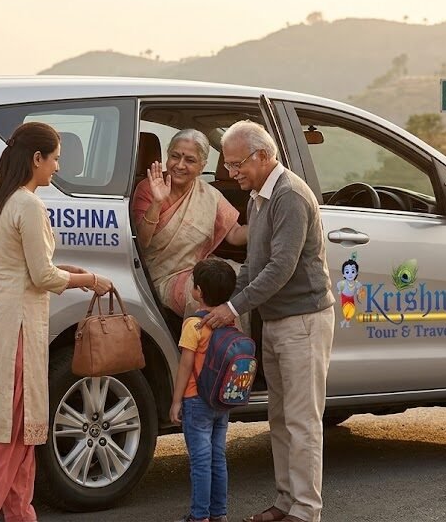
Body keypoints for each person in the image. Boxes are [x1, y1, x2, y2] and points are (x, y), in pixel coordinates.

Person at [0, 121, 113, 522]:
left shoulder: (4, 200)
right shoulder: (28, 203)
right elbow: (42, 278)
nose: (57, 167)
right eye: (55, 158)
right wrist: (90, 280)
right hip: (16, 334)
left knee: (22, 446)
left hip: (2, 325)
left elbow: (20, 268)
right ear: (37, 158)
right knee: (6, 442)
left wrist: (67, 270)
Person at [200, 121, 336, 522]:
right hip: (277, 321)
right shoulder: (258, 196)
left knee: (302, 420)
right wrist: (227, 303)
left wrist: (234, 307)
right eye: (227, 165)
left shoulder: (290, 195)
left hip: (304, 321)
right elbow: (253, 264)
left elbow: (280, 268)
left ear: (262, 156)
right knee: (279, 418)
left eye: (237, 163)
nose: (231, 172)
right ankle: (285, 501)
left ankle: (307, 510)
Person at [131, 129, 247, 318]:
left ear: (202, 166)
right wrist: (157, 202)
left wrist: (264, 226)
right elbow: (141, 243)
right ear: (167, 157)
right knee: (204, 292)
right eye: (175, 156)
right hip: (163, 275)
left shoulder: (209, 194)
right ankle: (201, 345)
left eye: (190, 160)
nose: (180, 165)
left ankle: (235, 344)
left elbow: (234, 235)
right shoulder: (149, 187)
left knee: (243, 279)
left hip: (199, 268)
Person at [170, 258, 239, 522]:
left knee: (200, 461)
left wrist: (176, 401)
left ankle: (199, 517)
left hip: (196, 400)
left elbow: (185, 365)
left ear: (197, 291)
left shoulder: (194, 325)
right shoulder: (228, 322)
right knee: (217, 457)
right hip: (221, 401)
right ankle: (218, 514)